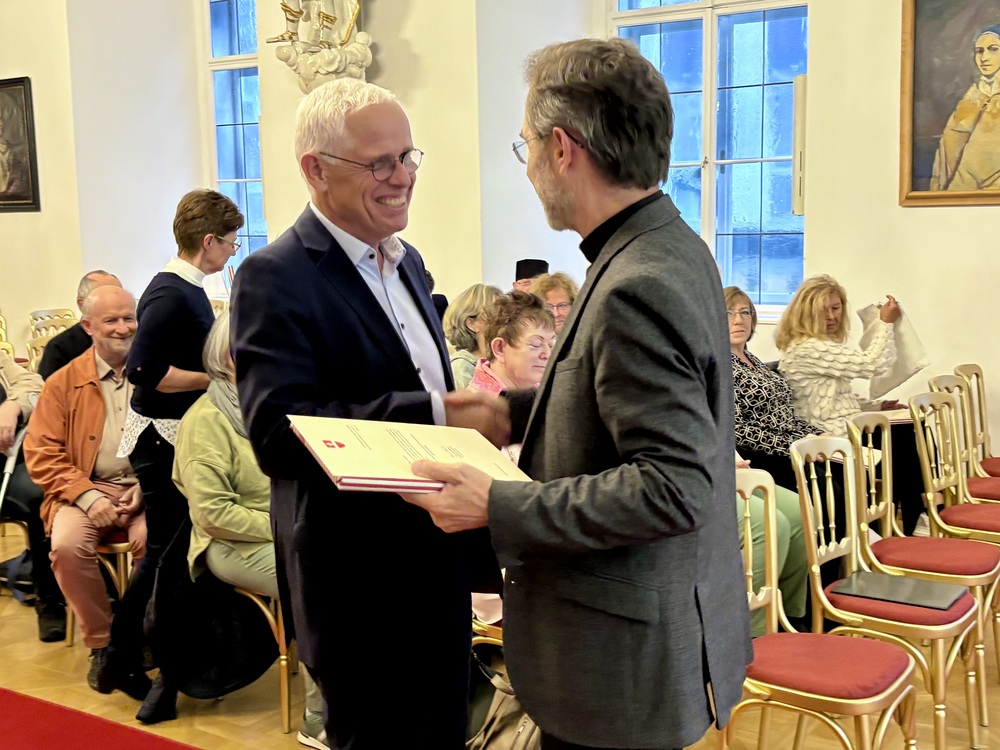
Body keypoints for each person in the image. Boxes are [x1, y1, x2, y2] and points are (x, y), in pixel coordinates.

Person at [401, 38, 751, 750]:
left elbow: (672, 485)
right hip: (646, 635)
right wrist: (510, 412)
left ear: (562, 148)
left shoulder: (635, 282)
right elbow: (616, 395)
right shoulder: (664, 244)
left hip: (618, 660)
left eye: (525, 146)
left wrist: (497, 503)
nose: (528, 166)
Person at [230, 78, 505, 750]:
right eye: (379, 163)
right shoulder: (274, 276)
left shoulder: (408, 264)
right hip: (356, 580)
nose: (402, 177)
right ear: (315, 169)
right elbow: (278, 433)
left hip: (436, 562)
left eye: (408, 157)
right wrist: (437, 413)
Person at [99, 189, 244, 724]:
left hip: (169, 435)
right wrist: (216, 379)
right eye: (230, 242)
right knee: (167, 555)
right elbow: (143, 371)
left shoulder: (185, 288)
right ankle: (125, 655)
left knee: (167, 553)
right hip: (161, 439)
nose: (232, 251)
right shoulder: (171, 293)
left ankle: (124, 658)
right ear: (208, 241)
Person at [173, 313, 328, 750]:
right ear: (229, 357)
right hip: (231, 544)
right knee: (318, 586)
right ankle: (320, 716)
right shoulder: (206, 420)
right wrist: (289, 528)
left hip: (291, 529)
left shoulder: (274, 405)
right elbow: (213, 514)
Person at [23, 286, 148, 694]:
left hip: (146, 488)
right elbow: (41, 453)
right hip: (83, 488)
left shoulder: (155, 372)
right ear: (88, 326)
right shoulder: (64, 382)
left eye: (129, 318)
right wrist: (87, 496)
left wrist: (146, 485)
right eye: (111, 320)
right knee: (66, 546)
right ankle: (103, 643)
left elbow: (180, 439)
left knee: (157, 544)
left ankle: (146, 635)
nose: (123, 328)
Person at [776, 275, 927, 534]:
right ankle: (915, 514)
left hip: (844, 425)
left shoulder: (823, 345)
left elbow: (836, 397)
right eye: (823, 310)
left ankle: (914, 513)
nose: (832, 316)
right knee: (902, 436)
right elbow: (872, 365)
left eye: (836, 308)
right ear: (806, 313)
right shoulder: (808, 348)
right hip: (827, 434)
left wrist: (875, 407)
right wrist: (885, 324)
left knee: (909, 427)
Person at [726, 286, 823, 491]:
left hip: (790, 445)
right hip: (761, 454)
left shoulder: (752, 359)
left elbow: (784, 415)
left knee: (846, 468)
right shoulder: (721, 366)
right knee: (826, 486)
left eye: (745, 312)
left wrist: (816, 434)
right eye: (728, 313)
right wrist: (795, 445)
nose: (738, 320)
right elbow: (736, 430)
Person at [0, 346, 66, 640]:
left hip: (6, 466)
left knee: (43, 493)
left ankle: (49, 600)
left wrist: (12, 406)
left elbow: (33, 383)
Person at [929, 24, 1000, 192]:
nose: (984, 58)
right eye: (979, 51)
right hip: (956, 193)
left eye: (993, 49)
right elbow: (946, 149)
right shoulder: (973, 96)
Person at [37, 270, 122, 380]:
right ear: (82, 305)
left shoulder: (132, 339)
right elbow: (50, 389)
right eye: (105, 299)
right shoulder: (59, 349)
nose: (116, 304)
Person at [442, 282, 502, 389]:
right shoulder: (462, 368)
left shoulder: (497, 360)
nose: (505, 320)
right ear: (472, 324)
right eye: (496, 314)